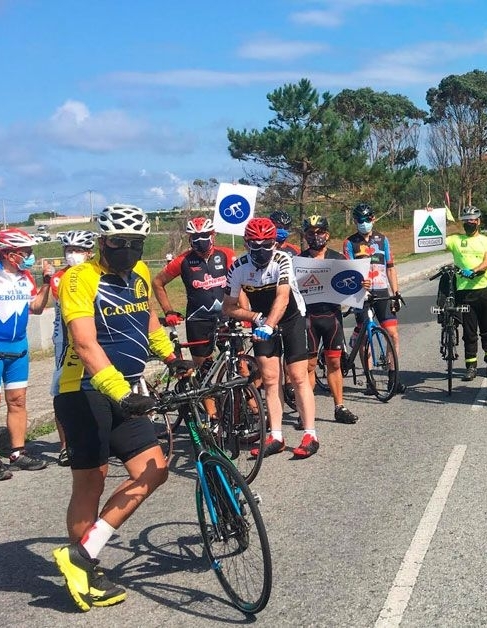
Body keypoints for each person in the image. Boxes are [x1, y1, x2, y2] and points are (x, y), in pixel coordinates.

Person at [51, 204, 193, 611]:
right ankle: (85, 569)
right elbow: (84, 342)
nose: (127, 250)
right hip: (83, 391)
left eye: (135, 243)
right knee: (91, 480)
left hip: (126, 389)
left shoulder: (140, 274)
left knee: (155, 469)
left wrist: (169, 355)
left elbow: (146, 320)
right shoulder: (80, 278)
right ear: (102, 240)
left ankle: (80, 553)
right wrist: (120, 390)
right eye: (118, 242)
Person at [224, 217, 319, 459]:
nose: (262, 250)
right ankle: (276, 435)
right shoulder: (238, 267)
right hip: (262, 320)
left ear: (274, 243)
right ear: (247, 244)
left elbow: (283, 298)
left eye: (268, 244)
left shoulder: (282, 259)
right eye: (256, 245)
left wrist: (268, 324)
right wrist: (255, 317)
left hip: (291, 318)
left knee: (298, 376)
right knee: (269, 378)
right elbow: (229, 307)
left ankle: (310, 433)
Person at [0, 227, 52, 477]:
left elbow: (37, 308)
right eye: (26, 252)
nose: (30, 256)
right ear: (10, 254)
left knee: (18, 400)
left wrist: (46, 283)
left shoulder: (26, 277)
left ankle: (17, 453)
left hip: (18, 347)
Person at [153, 216, 235, 374]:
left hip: (226, 317)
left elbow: (239, 285)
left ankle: (246, 399)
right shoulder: (182, 260)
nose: (200, 240)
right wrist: (168, 311)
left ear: (213, 235)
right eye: (195, 237)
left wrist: (243, 312)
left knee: (240, 365)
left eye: (205, 235)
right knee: (204, 371)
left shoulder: (226, 254)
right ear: (190, 238)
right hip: (198, 320)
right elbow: (157, 282)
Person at [301, 215, 360, 424]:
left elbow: (354, 285)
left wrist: (364, 286)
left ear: (327, 234)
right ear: (305, 235)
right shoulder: (298, 261)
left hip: (331, 316)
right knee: (309, 365)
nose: (315, 236)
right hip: (308, 318)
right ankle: (306, 412)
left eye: (319, 232)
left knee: (334, 362)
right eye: (310, 233)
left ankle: (339, 406)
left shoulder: (338, 258)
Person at [49, 230, 98, 468]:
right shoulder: (59, 278)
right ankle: (64, 446)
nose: (73, 255)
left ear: (89, 253)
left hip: (95, 336)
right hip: (65, 341)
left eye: (78, 250)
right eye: (69, 250)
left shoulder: (98, 274)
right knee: (62, 391)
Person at [343, 203, 404, 379]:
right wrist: (359, 285)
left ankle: (393, 376)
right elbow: (348, 271)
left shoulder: (382, 239)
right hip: (361, 294)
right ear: (355, 221)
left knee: (393, 335)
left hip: (382, 291)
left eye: (367, 219)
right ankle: (369, 379)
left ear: (373, 218)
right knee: (365, 337)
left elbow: (391, 267)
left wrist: (396, 293)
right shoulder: (349, 243)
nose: (364, 223)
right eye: (360, 220)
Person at [443, 206, 487, 381]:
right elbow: (433, 239)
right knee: (469, 331)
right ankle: (471, 367)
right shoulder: (455, 240)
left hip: (484, 289)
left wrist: (474, 270)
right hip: (464, 292)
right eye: (466, 220)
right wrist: (432, 216)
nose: (470, 223)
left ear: (479, 221)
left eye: (473, 220)